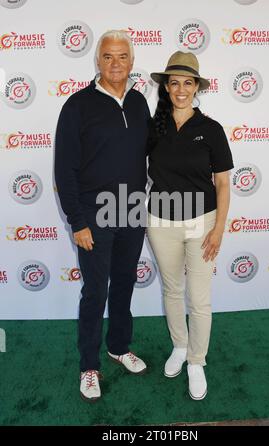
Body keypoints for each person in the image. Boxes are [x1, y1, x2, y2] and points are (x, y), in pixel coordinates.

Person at [55, 30, 150, 402]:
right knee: (95, 291)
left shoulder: (141, 102)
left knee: (125, 282)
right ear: (98, 61)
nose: (115, 63)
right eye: (108, 56)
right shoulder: (77, 106)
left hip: (131, 209)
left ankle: (119, 346)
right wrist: (77, 221)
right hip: (94, 215)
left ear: (131, 61)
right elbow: (64, 169)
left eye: (122, 56)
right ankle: (89, 366)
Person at [147, 51, 234, 400]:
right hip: (160, 221)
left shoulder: (211, 129)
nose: (180, 89)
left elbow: (223, 184)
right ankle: (179, 347)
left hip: (203, 223)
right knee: (171, 290)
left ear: (196, 86)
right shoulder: (154, 127)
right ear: (166, 87)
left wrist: (218, 230)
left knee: (198, 300)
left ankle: (196, 361)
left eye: (187, 82)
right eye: (174, 83)